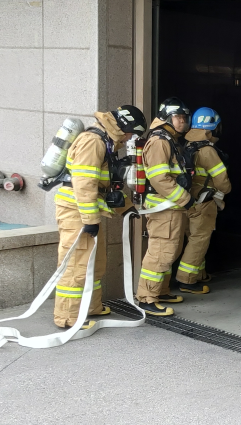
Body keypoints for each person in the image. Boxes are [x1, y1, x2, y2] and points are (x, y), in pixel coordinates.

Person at [53, 105, 146, 329]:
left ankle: (91, 307)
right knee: (76, 265)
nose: (130, 138)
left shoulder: (105, 141)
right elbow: (84, 184)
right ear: (123, 126)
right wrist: (90, 220)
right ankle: (68, 318)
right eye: (131, 132)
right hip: (77, 211)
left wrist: (127, 208)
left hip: (86, 210)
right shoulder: (93, 141)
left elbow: (105, 187)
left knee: (94, 263)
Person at [135, 97, 194, 315]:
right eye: (179, 117)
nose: (183, 121)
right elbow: (160, 179)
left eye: (184, 117)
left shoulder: (169, 139)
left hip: (172, 207)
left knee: (170, 251)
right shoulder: (160, 141)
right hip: (165, 208)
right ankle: (147, 299)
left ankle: (161, 291)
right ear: (167, 117)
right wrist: (185, 198)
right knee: (160, 252)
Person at [176, 107, 231, 294]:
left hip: (188, 200)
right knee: (199, 240)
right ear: (211, 129)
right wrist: (225, 191)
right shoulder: (207, 150)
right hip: (205, 201)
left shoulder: (186, 145)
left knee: (193, 238)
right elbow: (222, 180)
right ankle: (187, 280)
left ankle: (200, 274)